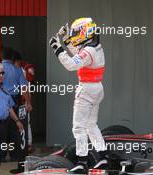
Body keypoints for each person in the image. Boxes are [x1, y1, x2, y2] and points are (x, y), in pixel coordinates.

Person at [49, 17, 106, 174]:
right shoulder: (95, 47)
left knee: (79, 127)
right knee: (91, 125)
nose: (74, 35)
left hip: (86, 90)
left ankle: (82, 162)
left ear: (84, 32)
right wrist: (66, 39)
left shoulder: (89, 50)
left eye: (75, 32)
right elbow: (79, 54)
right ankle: (102, 157)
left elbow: (71, 64)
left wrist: (57, 47)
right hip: (97, 88)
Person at [1, 48, 32, 162]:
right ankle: (15, 156)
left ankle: (1, 156)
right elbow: (24, 88)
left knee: (1, 131)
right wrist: (28, 103)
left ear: (1, 56)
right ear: (12, 58)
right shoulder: (17, 70)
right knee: (14, 130)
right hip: (13, 102)